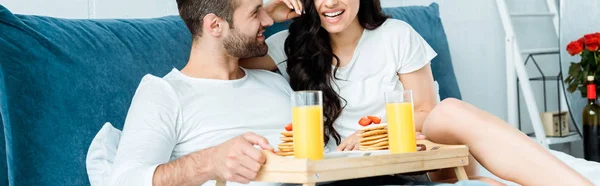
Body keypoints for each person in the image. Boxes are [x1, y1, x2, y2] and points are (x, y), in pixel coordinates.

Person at [241, 0, 594, 185]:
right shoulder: (292, 46)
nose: (330, 3)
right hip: (362, 172)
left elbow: (427, 112)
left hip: (420, 152)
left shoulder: (395, 34)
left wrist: (376, 135)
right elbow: (232, 60)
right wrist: (272, 10)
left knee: (449, 110)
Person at [108, 0, 446, 185]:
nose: (269, 19)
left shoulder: (274, 78)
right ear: (214, 25)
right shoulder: (165, 92)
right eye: (257, 12)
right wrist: (209, 162)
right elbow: (122, 181)